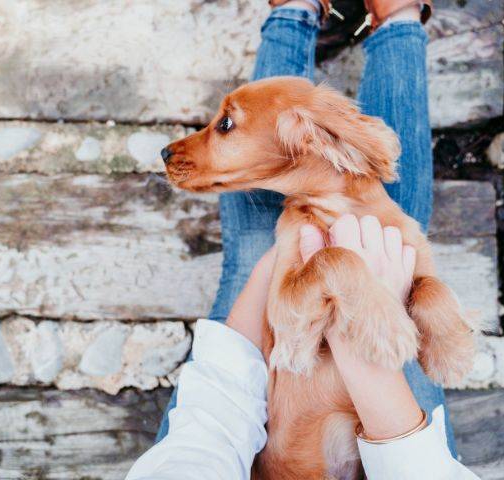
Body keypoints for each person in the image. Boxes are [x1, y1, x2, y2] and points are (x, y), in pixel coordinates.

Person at [132, 0, 472, 477]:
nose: (182, 146)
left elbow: (221, 410)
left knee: (257, 255)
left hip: (244, 425)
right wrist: (410, 298)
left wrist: (342, 266)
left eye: (223, 125)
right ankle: (398, 20)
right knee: (395, 217)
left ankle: (294, 10)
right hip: (396, 435)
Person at [126, 215, 479, 479]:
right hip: (397, 437)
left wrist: (282, 255)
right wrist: (362, 342)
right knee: (391, 222)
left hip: (252, 437)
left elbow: (206, 440)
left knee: (258, 242)